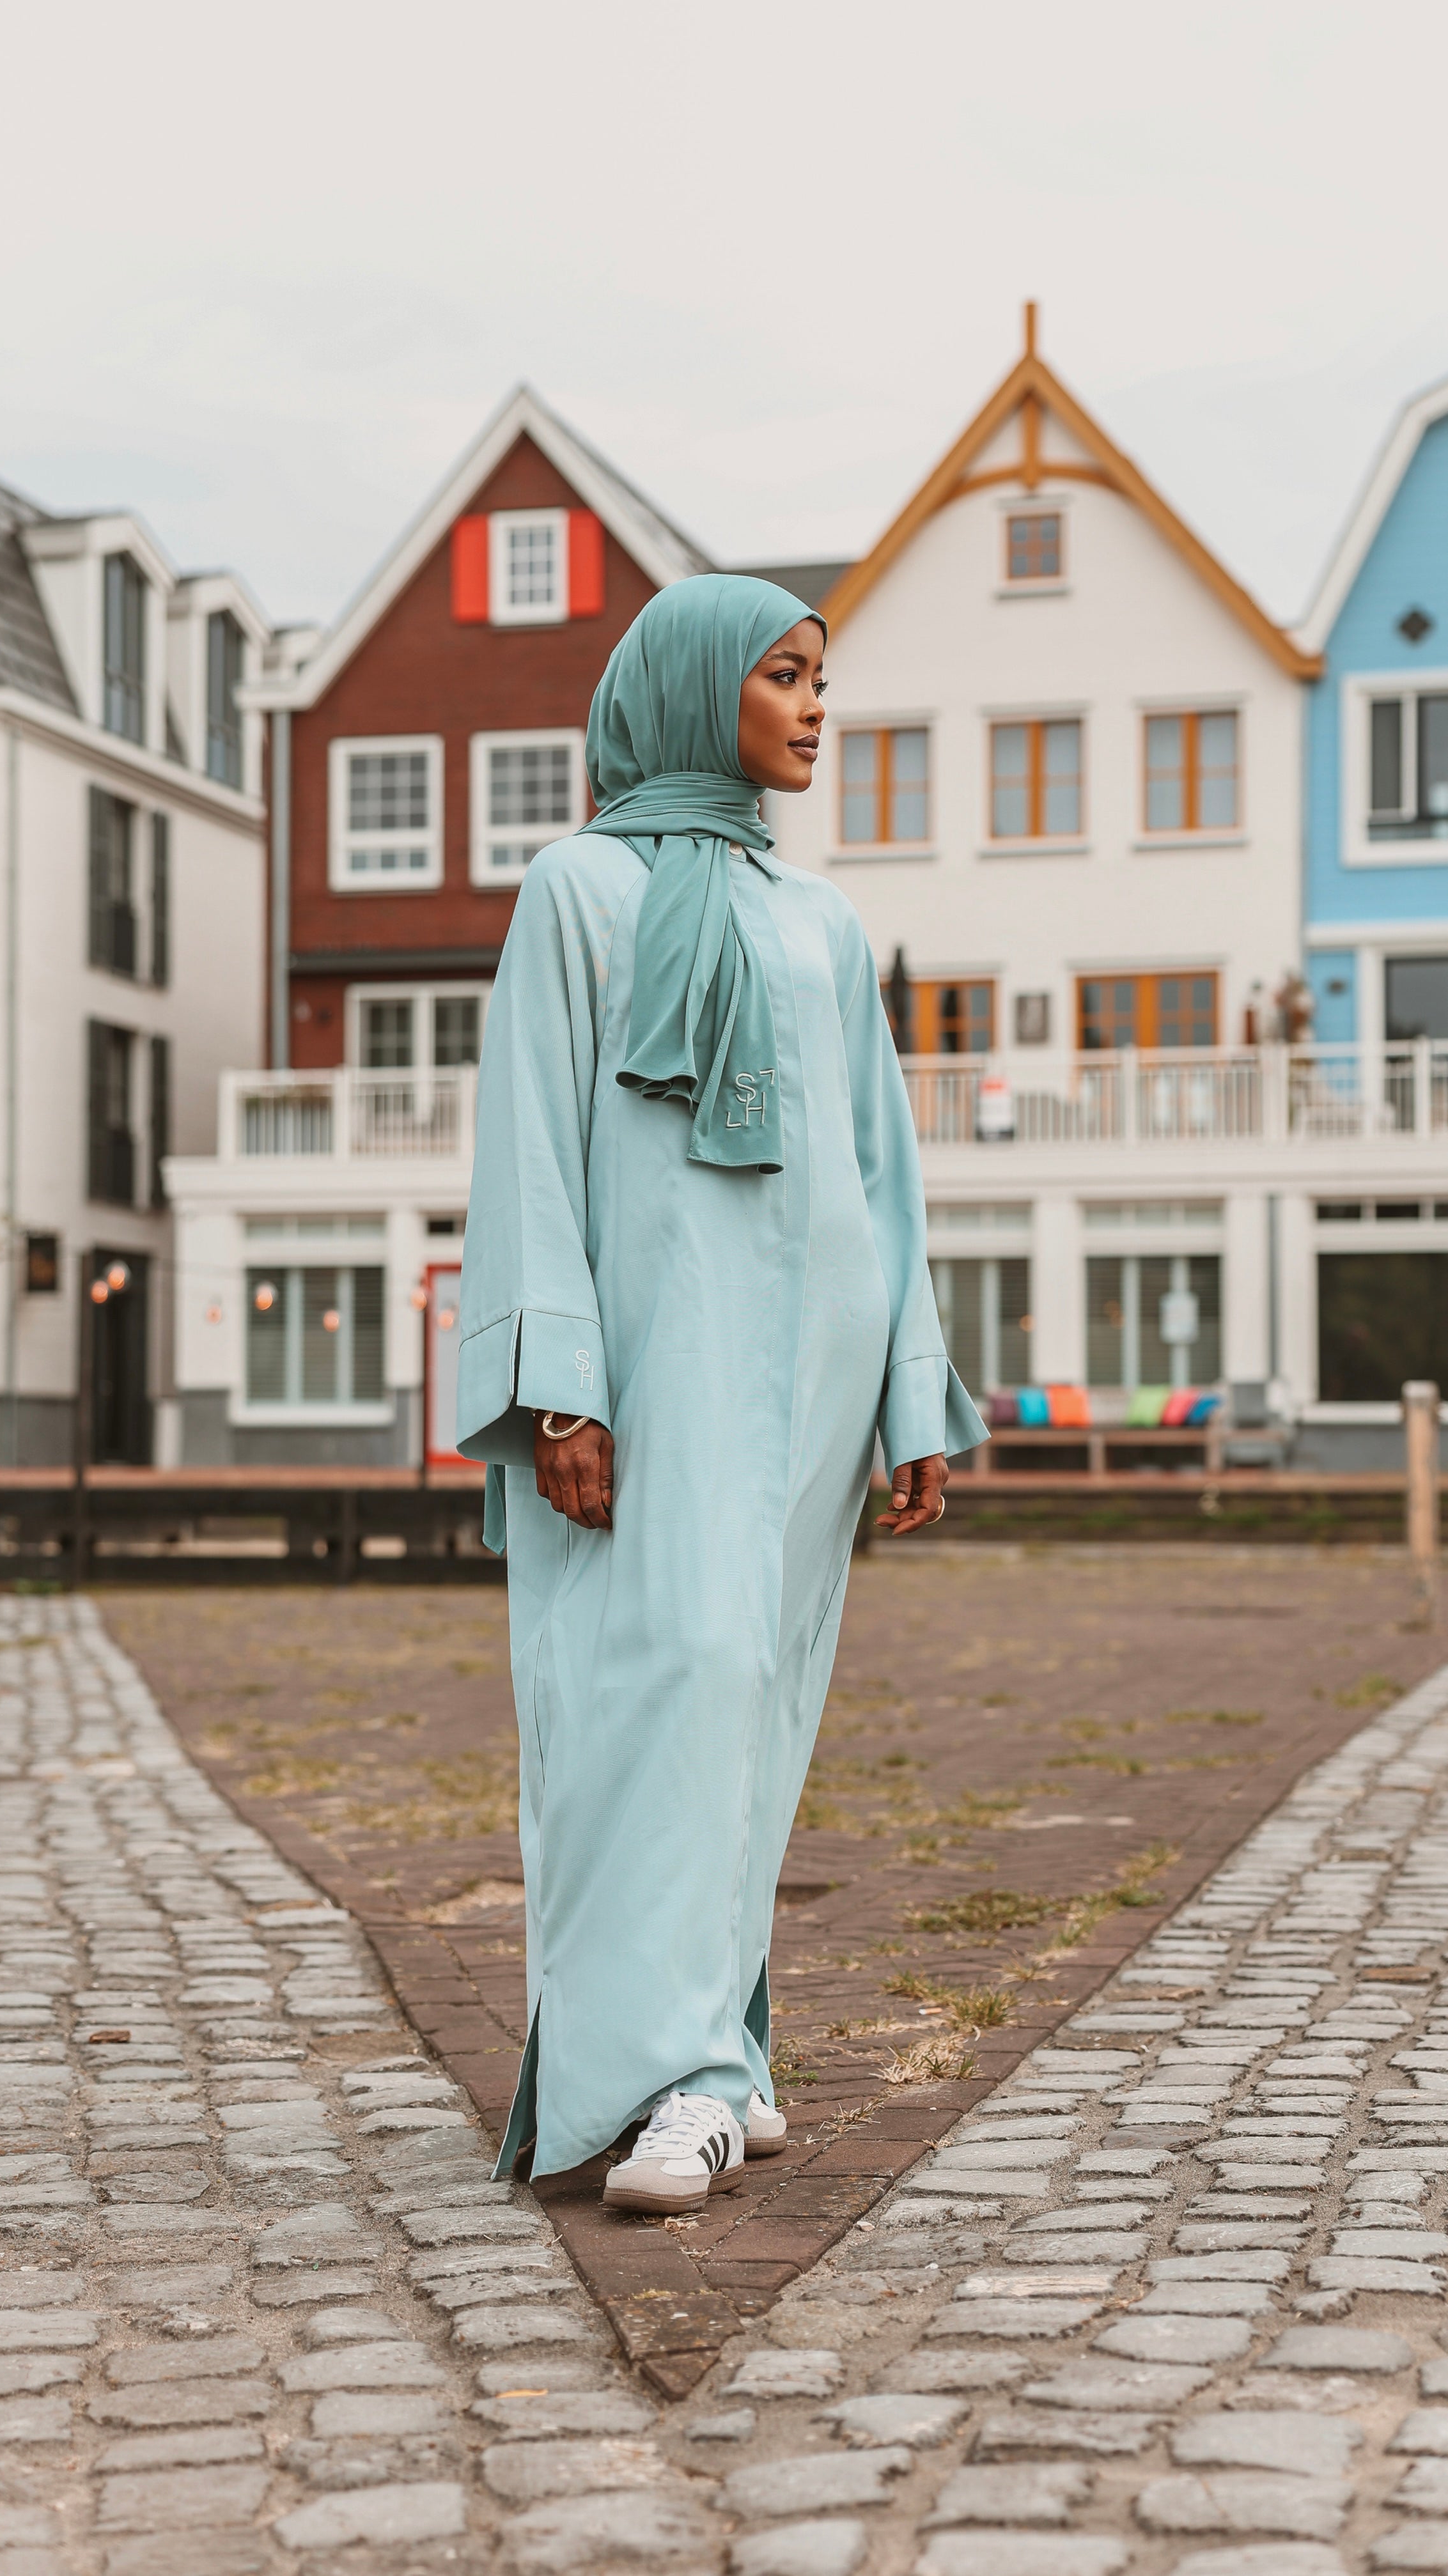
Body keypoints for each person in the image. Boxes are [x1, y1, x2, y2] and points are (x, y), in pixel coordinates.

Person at [455, 574, 986, 2214]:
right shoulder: (579, 890)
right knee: (655, 1685)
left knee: (755, 1691)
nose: (817, 705)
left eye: (823, 677)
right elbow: (531, 1145)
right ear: (698, 691)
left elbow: (879, 1173)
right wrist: (560, 1392)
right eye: (785, 675)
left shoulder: (821, 923)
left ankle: (721, 2058)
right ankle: (669, 2066)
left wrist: (910, 1393)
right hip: (653, 1361)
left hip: (811, 1364)